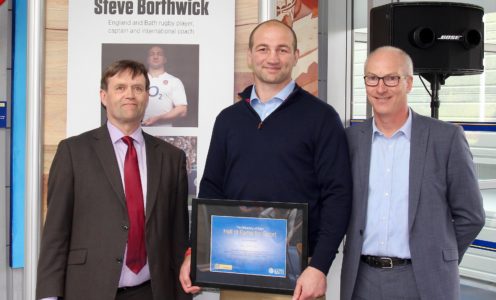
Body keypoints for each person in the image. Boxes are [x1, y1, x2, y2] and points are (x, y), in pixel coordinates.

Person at [179, 19, 352, 300]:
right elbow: (211, 189)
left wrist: (319, 266)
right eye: (263, 49)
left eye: (282, 49)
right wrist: (193, 252)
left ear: (296, 56)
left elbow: (338, 195)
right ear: (250, 56)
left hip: (297, 275)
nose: (272, 58)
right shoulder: (228, 119)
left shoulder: (321, 118)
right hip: (234, 267)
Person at [36, 60, 191, 300]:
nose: (130, 94)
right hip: (88, 290)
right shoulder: (73, 152)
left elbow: (178, 237)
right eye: (120, 87)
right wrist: (48, 296)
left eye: (138, 88)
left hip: (152, 292)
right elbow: (55, 232)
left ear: (146, 97)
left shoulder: (171, 158)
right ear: (103, 96)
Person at [340, 46, 485, 300]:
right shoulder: (350, 140)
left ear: (408, 83)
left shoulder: (446, 138)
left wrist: (439, 256)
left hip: (422, 280)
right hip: (362, 280)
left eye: (391, 78)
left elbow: (471, 216)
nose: (380, 88)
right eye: (372, 78)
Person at [142, 45, 188, 126]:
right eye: (152, 54)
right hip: (140, 130)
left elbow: (182, 110)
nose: (155, 56)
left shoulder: (174, 81)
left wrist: (159, 118)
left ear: (165, 59)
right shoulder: (138, 80)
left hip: (165, 131)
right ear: (147, 60)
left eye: (159, 54)